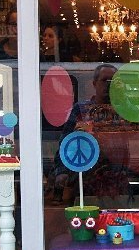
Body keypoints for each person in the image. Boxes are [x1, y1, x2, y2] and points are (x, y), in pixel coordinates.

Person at [46, 63, 130, 205]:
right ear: (94, 83)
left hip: (117, 177)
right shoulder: (82, 109)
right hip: (87, 178)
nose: (109, 85)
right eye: (105, 81)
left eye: (114, 82)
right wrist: (61, 171)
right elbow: (66, 142)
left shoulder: (123, 110)